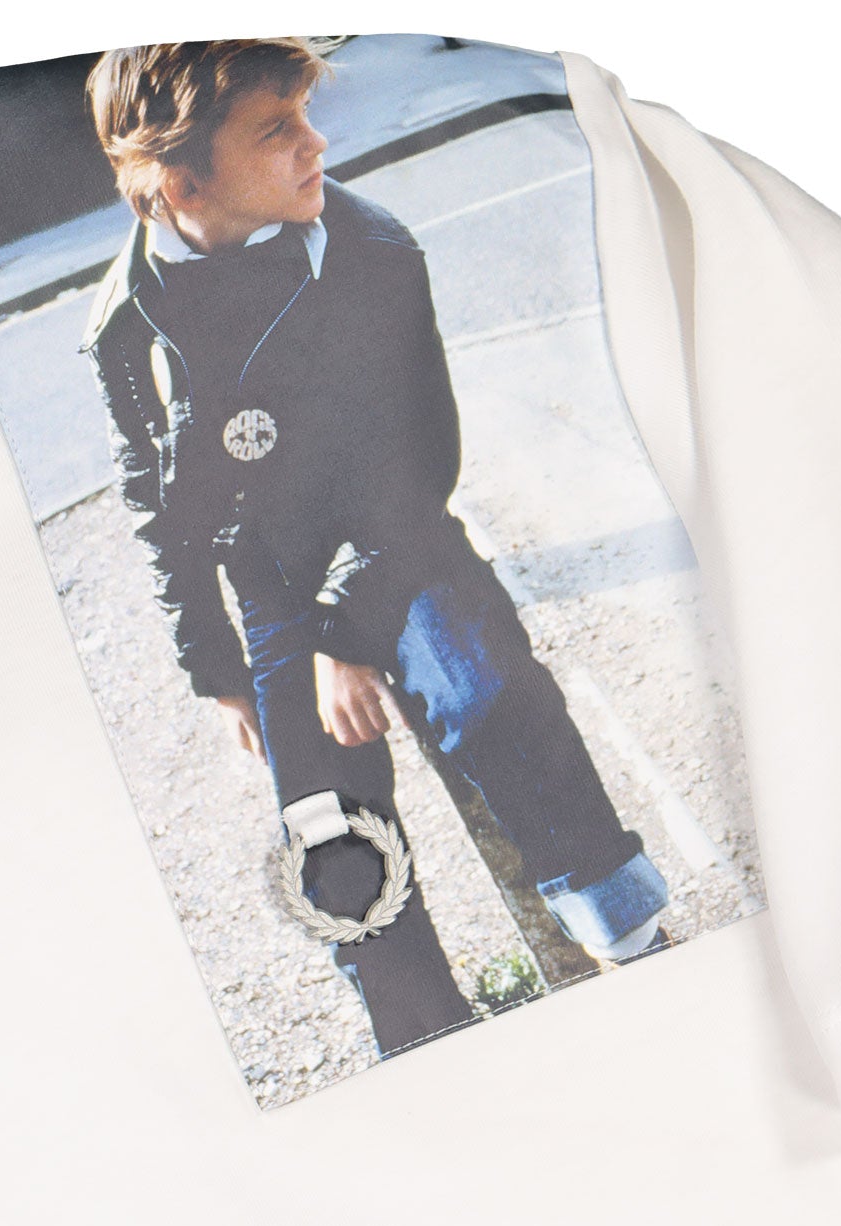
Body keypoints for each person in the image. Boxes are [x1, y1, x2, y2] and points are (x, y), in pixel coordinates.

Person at [80, 38, 670, 1055]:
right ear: (182, 185)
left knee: (490, 699)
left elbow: (415, 462)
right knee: (330, 835)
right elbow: (157, 508)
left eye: (306, 116)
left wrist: (342, 641)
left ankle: (630, 936)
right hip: (271, 582)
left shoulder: (370, 251)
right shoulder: (126, 323)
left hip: (396, 543)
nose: (317, 144)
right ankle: (424, 1040)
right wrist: (216, 671)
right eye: (278, 130)